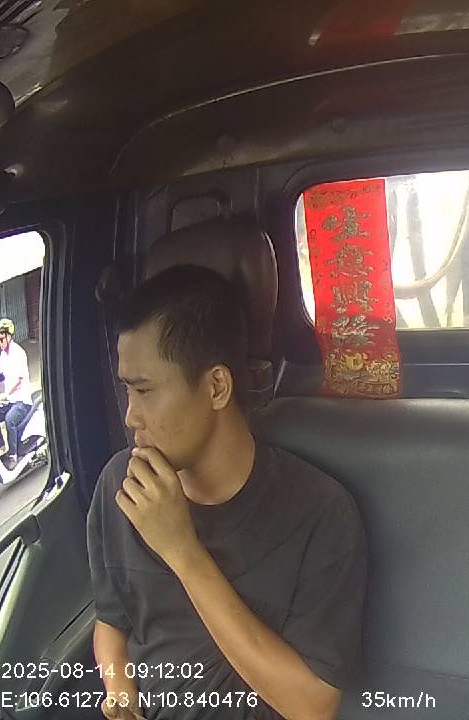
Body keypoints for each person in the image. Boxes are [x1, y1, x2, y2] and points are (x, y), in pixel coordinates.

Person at [86, 265, 367, 720]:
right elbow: (111, 621)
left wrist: (183, 552)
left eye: (145, 391)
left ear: (216, 387)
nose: (130, 416)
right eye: (127, 390)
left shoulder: (319, 513)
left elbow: (312, 705)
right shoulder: (121, 485)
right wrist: (119, 691)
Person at [0, 317, 32, 471]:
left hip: (22, 401)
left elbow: (19, 380)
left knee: (10, 420)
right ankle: (0, 446)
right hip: (9, 400)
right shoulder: (4, 355)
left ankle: (13, 455)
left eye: (2, 339)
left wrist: (5, 394)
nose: (0, 343)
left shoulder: (18, 353)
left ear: (9, 337)